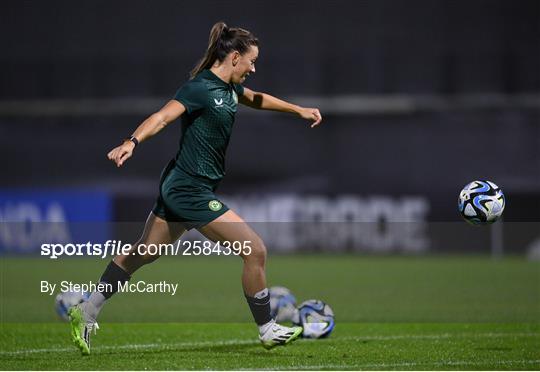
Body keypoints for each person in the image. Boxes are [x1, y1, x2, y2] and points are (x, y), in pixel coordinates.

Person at [68, 21, 322, 355]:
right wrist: (132, 141)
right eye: (251, 61)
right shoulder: (199, 88)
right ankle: (267, 327)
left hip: (184, 185)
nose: (254, 68)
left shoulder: (230, 89)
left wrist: (298, 109)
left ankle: (87, 309)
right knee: (254, 249)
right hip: (189, 189)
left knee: (143, 254)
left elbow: (258, 99)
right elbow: (162, 117)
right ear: (234, 57)